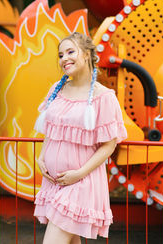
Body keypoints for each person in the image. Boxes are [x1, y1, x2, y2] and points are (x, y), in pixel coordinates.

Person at [34, 32, 127, 243]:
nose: (64, 59)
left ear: (86, 54)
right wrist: (41, 158)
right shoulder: (57, 91)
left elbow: (108, 145)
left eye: (70, 52)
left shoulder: (103, 97)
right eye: (60, 55)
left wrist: (79, 173)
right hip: (55, 182)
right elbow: (51, 130)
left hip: (81, 182)